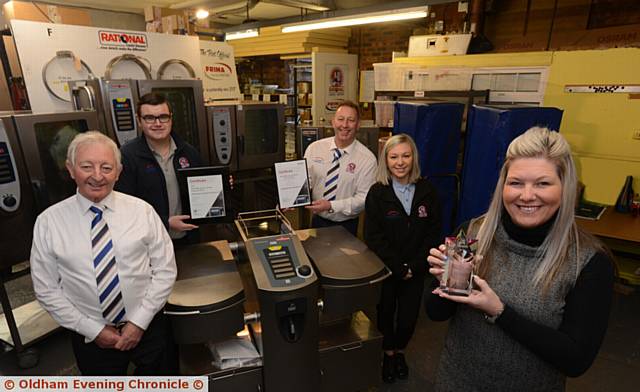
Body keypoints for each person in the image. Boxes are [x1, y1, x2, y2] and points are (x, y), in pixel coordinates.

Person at [425, 127, 615, 391]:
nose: (526, 195)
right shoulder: (473, 233)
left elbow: (576, 360)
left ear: (565, 188)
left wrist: (499, 311)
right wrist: (444, 283)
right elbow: (436, 314)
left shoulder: (588, 262)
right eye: (516, 183)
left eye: (542, 183)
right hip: (455, 382)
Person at [30, 131, 177, 375]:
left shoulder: (142, 212)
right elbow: (46, 289)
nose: (97, 176)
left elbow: (165, 270)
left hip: (149, 327)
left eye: (107, 167)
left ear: (119, 172)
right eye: (87, 166)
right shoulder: (49, 222)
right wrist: (93, 329)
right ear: (70, 168)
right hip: (89, 338)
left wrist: (138, 323)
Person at [364, 134, 442, 383]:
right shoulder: (377, 193)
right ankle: (388, 354)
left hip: (416, 270)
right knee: (385, 312)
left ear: (414, 158)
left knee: (408, 319)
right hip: (388, 269)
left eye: (406, 156)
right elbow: (373, 237)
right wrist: (398, 267)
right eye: (394, 156)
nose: (400, 162)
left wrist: (415, 266)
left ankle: (400, 351)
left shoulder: (427, 191)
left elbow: (433, 232)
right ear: (385, 160)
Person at [115, 92, 203, 244]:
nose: (157, 123)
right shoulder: (127, 156)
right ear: (139, 120)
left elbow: (203, 187)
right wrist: (165, 222)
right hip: (147, 241)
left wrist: (222, 185)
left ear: (170, 118)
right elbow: (123, 206)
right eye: (149, 118)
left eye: (163, 117)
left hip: (188, 238)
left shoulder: (189, 152)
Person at [304, 100, 376, 236]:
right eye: (341, 119)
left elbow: (363, 198)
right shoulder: (315, 148)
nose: (345, 125)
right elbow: (305, 181)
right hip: (317, 220)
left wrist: (331, 205)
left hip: (346, 226)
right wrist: (291, 199)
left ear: (358, 125)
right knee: (314, 256)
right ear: (333, 122)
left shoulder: (367, 159)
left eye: (351, 120)